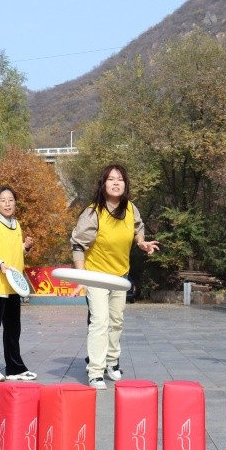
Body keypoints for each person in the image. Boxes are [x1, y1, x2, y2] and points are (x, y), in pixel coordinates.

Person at [70, 164, 160, 389]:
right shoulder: (93, 213)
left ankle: (112, 362)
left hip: (120, 276)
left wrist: (141, 242)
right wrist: (81, 277)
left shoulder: (130, 208)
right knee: (100, 321)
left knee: (116, 321)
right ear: (103, 184)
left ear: (125, 184)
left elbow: (138, 226)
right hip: (96, 276)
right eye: (111, 179)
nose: (116, 183)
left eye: (120, 179)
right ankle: (95, 371)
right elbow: (78, 245)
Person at [0, 186, 36, 382]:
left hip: (13, 286)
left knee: (13, 329)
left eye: (11, 200)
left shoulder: (16, 224)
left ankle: (15, 368)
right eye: (3, 200)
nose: (7, 204)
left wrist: (25, 248)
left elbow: (12, 251)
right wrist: (0, 264)